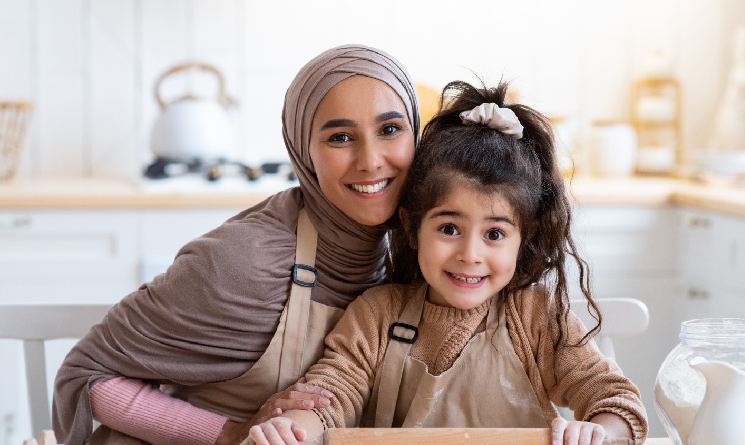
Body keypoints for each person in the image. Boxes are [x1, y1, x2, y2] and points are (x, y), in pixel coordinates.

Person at [51, 44, 421, 445]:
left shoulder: (416, 250)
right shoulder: (246, 262)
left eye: (389, 130)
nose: (370, 160)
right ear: (303, 150)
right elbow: (88, 374)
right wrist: (228, 433)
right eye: (340, 137)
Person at [243, 81, 648, 445]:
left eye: (494, 234)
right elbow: (329, 399)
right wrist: (290, 429)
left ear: (524, 236)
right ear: (412, 226)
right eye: (449, 229)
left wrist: (598, 432)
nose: (470, 254)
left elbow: (616, 400)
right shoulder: (377, 316)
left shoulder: (536, 316)